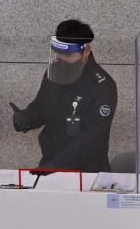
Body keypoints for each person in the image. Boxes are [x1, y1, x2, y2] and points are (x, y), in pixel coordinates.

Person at [10, 19, 117, 172]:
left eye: (67, 54)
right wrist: (26, 117)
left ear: (86, 51)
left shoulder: (102, 86)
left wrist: (55, 167)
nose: (61, 58)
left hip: (87, 173)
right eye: (58, 52)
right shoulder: (54, 73)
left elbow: (91, 138)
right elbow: (42, 106)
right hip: (51, 163)